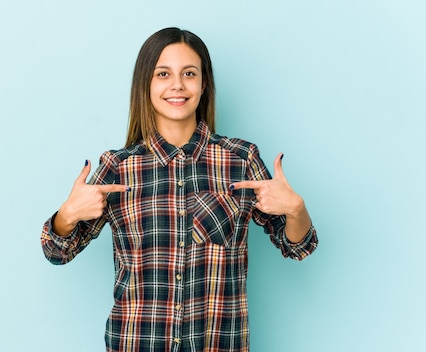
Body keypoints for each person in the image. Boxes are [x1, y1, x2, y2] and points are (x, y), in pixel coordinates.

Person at [40, 27, 318, 352]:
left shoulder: (241, 161)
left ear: (203, 85)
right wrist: (67, 216)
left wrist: (297, 210)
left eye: (189, 73)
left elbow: (299, 247)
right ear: (146, 84)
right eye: (163, 73)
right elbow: (56, 251)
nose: (177, 85)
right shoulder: (118, 168)